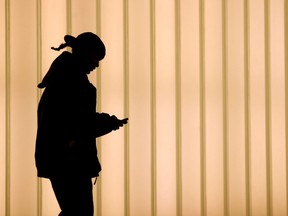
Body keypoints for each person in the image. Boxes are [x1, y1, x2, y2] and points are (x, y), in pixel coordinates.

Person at [35, 32, 128, 216]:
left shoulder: (63, 76)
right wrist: (108, 122)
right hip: (69, 161)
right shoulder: (72, 80)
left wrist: (106, 122)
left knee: (74, 211)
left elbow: (76, 119)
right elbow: (78, 123)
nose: (97, 64)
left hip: (61, 159)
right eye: (96, 58)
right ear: (85, 52)